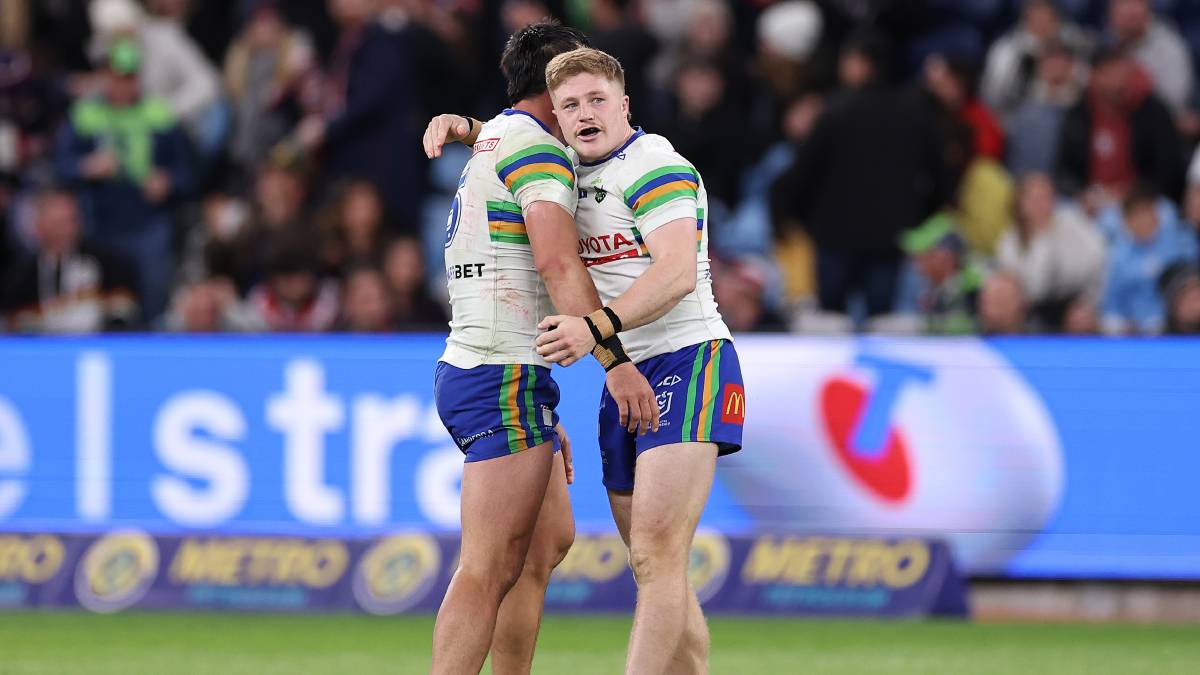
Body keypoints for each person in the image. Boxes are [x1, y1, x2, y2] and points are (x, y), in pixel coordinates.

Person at [425, 24, 657, 675]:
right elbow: (558, 263)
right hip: (500, 374)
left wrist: (461, 122)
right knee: (488, 566)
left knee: (544, 543)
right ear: (553, 89)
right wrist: (614, 364)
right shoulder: (540, 155)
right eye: (575, 86)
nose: (587, 102)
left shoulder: (503, 133)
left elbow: (490, 130)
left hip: (488, 367)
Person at [535, 48, 744, 675]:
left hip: (691, 357)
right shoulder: (563, 177)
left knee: (656, 553)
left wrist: (595, 330)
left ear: (625, 105)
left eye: (597, 99)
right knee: (655, 565)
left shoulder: (655, 163)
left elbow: (678, 272)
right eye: (570, 105)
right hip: (622, 372)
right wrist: (463, 128)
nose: (585, 113)